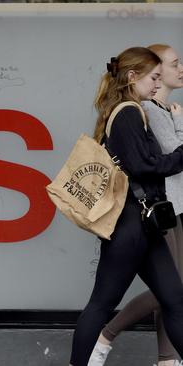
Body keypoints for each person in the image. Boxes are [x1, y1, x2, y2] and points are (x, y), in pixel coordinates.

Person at [69, 46, 183, 366]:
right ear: (133, 76)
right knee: (102, 304)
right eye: (153, 77)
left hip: (144, 223)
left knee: (174, 298)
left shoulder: (132, 109)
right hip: (130, 225)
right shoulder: (128, 112)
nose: (156, 85)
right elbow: (145, 165)